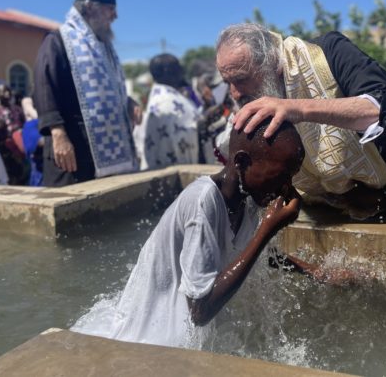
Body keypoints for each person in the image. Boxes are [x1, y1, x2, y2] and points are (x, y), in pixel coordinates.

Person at [72, 117, 305, 348]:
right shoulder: (202, 201)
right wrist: (267, 230)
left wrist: (312, 271)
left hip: (185, 338)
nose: (287, 187)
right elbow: (200, 311)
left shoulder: (249, 199)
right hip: (149, 340)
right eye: (281, 176)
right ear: (242, 162)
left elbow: (250, 251)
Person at [215, 23, 386, 221]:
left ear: (273, 63)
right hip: (339, 204)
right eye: (228, 82)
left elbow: (380, 110)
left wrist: (296, 108)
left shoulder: (330, 52)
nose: (234, 93)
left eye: (241, 79)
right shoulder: (252, 96)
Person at [33, 0, 140, 187]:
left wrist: (126, 101)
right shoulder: (58, 41)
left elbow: (105, 90)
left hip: (101, 155)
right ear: (90, 7)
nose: (115, 16)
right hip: (71, 151)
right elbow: (45, 87)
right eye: (111, 9)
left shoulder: (103, 47)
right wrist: (58, 133)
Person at [135, 53, 200, 169]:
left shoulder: (170, 96)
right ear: (167, 71)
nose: (182, 69)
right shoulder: (164, 101)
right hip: (173, 171)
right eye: (177, 66)